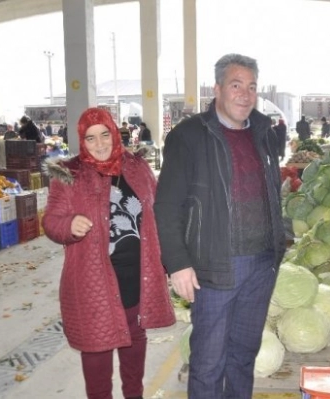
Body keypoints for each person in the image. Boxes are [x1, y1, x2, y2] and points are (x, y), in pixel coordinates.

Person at [154, 53, 286, 399]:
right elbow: (166, 205)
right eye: (236, 85)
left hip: (261, 263)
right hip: (214, 265)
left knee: (243, 356)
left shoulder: (263, 132)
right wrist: (178, 263)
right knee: (209, 363)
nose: (245, 94)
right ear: (217, 89)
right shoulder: (189, 136)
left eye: (252, 86)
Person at [42, 107, 175, 399]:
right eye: (91, 138)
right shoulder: (69, 174)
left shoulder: (137, 167)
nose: (100, 143)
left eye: (105, 135)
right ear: (81, 141)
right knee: (96, 350)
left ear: (115, 134)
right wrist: (68, 225)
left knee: (134, 341)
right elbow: (50, 221)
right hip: (93, 282)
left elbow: (160, 210)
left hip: (137, 276)